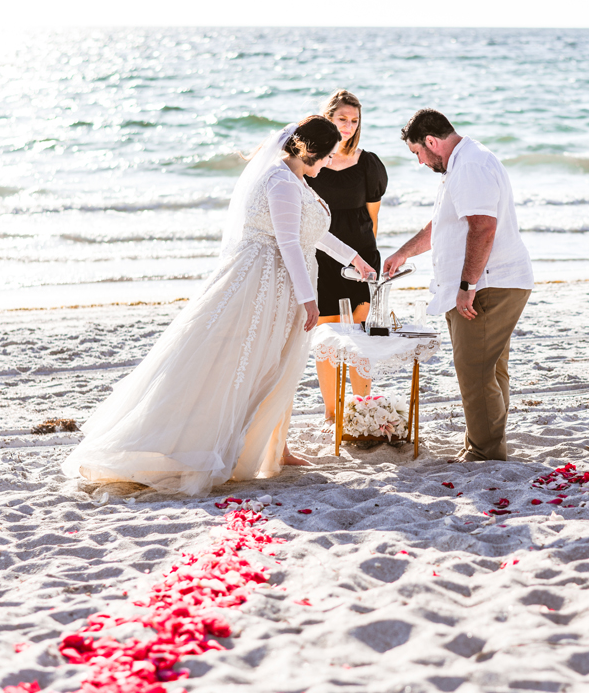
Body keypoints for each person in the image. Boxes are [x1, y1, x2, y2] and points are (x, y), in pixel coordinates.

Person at [62, 117, 376, 494]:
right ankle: (202, 445)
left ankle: (270, 447)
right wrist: (309, 299)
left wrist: (353, 258)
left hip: (281, 285)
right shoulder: (280, 182)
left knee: (273, 368)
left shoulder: (297, 180)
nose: (326, 164)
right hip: (264, 286)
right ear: (307, 151)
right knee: (242, 364)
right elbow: (290, 243)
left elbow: (315, 234)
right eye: (323, 158)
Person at [382, 109, 533, 462]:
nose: (420, 162)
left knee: (474, 369)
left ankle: (485, 452)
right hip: (490, 280)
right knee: (489, 368)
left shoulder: (470, 166)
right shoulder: (463, 163)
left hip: (490, 283)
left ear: (431, 142)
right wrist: (405, 252)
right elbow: (444, 224)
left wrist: (468, 284)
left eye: (417, 153)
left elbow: (483, 227)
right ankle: (484, 444)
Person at [305, 89, 388, 424]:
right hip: (321, 258)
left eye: (354, 120)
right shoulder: (311, 162)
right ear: (328, 118)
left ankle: (363, 407)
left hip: (363, 259)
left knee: (360, 335)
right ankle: (331, 413)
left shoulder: (368, 163)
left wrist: (366, 260)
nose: (349, 126)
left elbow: (373, 217)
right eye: (342, 119)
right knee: (327, 337)